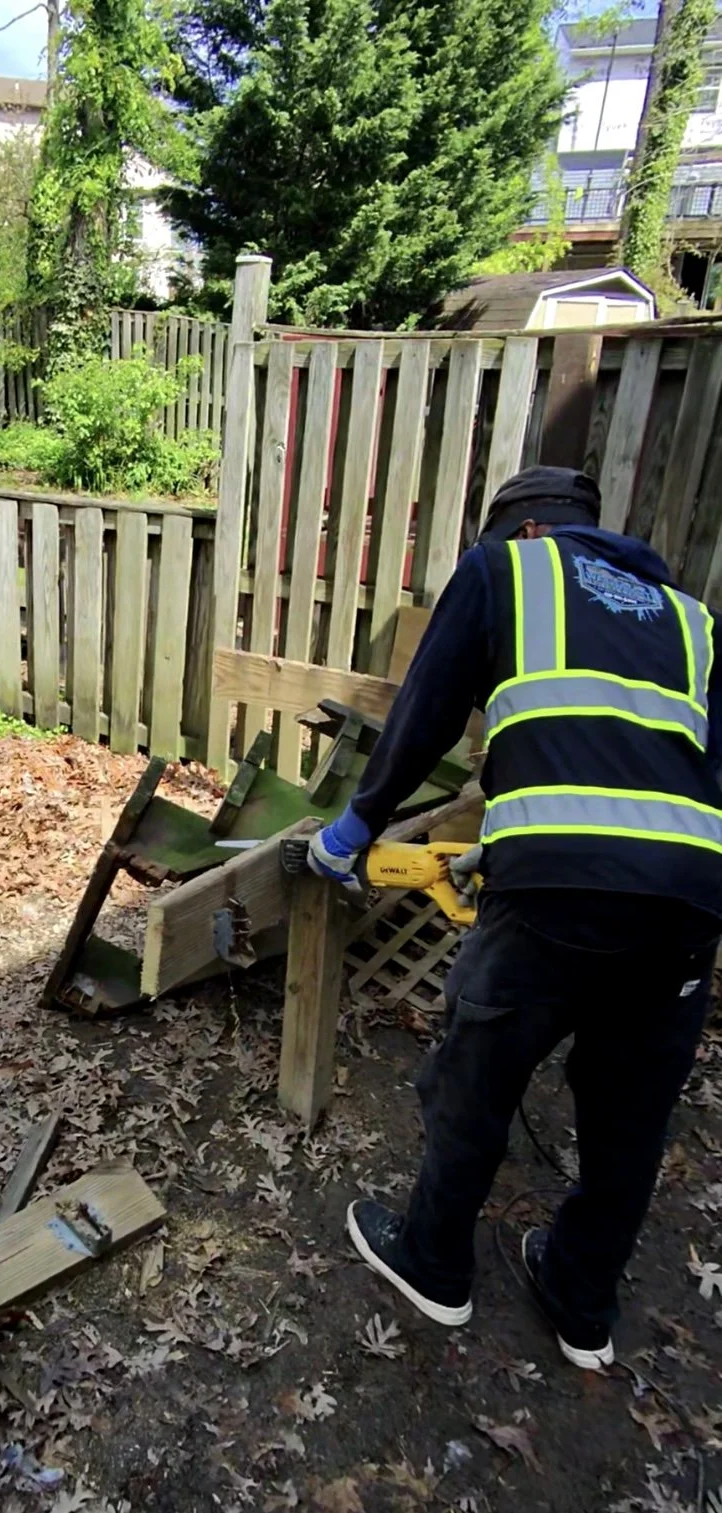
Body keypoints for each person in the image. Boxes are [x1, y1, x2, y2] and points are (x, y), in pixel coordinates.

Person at [308, 465, 722, 1370]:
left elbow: (426, 707)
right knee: (629, 1120)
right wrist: (508, 846)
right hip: (689, 905)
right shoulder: (694, 621)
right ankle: (582, 1305)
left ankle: (433, 1265)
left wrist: (355, 825)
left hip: (553, 900)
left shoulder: (507, 569)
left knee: (475, 1075)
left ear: (525, 529)